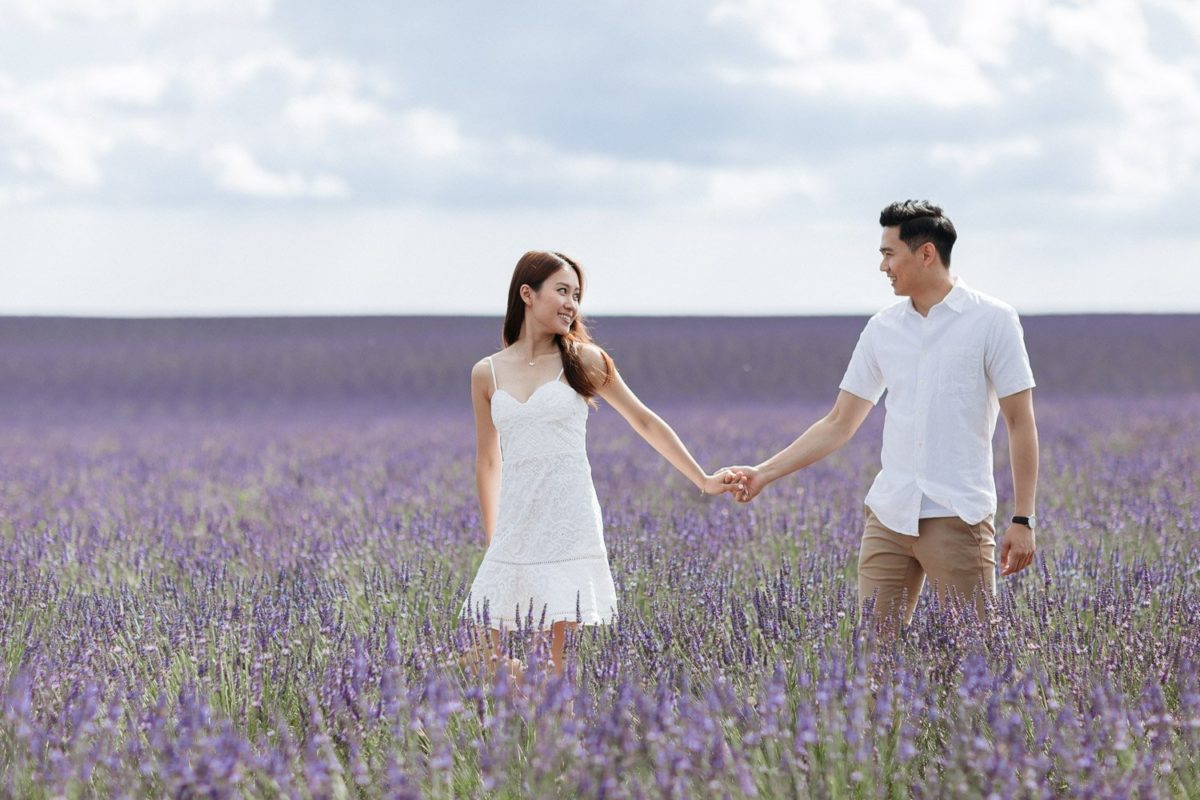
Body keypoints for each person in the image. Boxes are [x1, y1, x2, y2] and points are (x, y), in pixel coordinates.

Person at [723, 200, 1039, 631]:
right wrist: (764, 473)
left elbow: (1020, 422)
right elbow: (839, 422)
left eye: (889, 253)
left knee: (975, 657)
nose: (882, 266)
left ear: (926, 253)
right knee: (873, 662)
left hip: (957, 515)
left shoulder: (993, 321)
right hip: (889, 516)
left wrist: (1023, 519)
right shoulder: (882, 329)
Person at [464, 250, 736, 678]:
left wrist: (702, 479)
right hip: (516, 520)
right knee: (482, 653)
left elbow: (643, 420)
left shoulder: (583, 360)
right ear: (527, 294)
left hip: (566, 520)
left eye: (576, 294)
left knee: (553, 669)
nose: (572, 303)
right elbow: (487, 461)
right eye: (562, 291)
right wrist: (493, 536)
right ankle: (520, 701)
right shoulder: (487, 373)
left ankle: (552, 734)